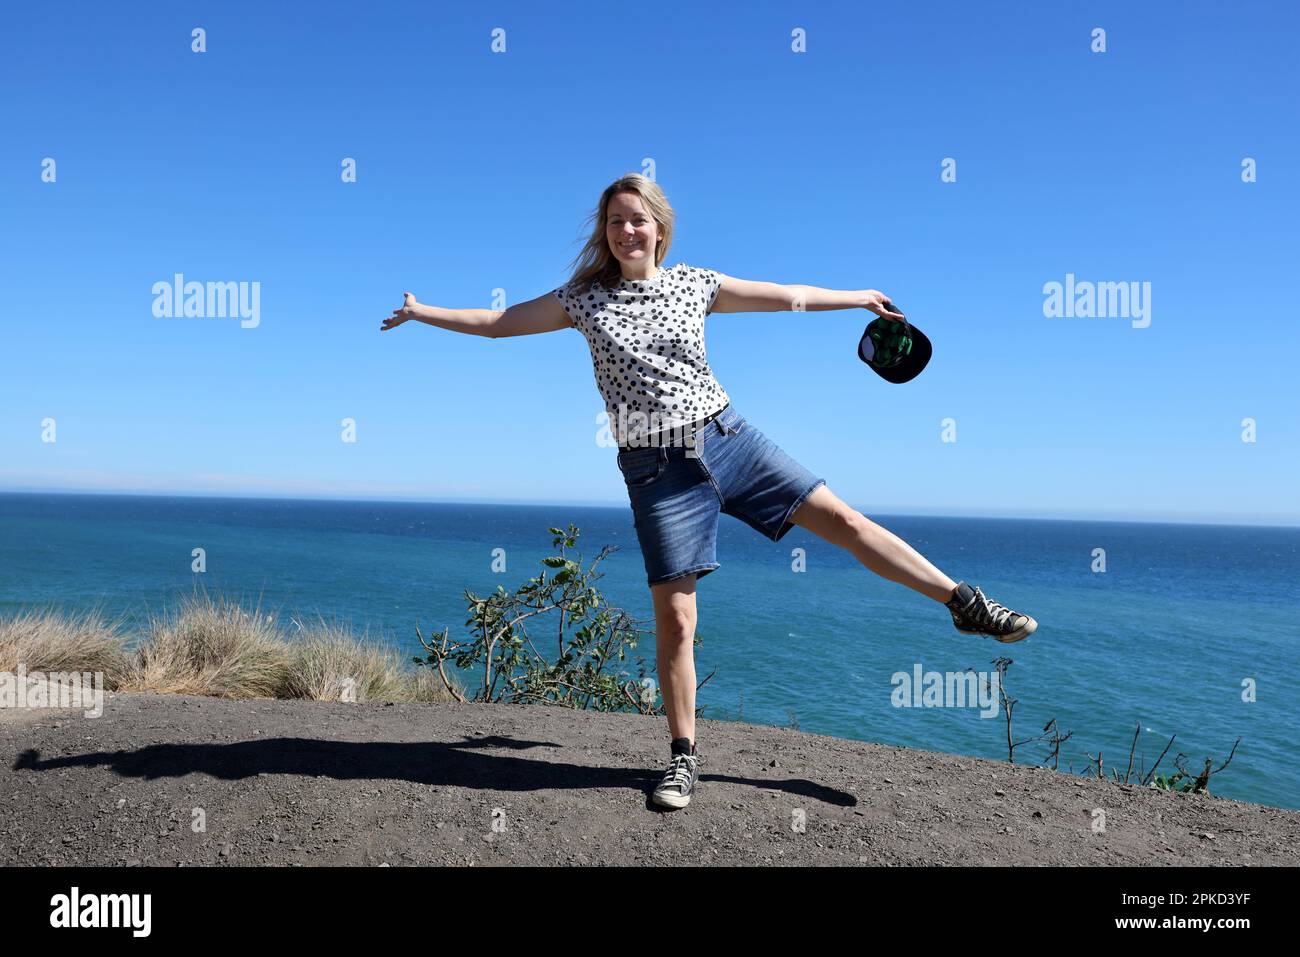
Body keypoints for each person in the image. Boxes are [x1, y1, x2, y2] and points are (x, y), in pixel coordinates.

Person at [380, 172, 1038, 810]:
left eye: (638, 219)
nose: (626, 230)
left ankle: (964, 601)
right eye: (615, 221)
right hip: (654, 467)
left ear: (660, 228)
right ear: (604, 231)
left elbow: (785, 296)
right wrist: (421, 311)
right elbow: (497, 321)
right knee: (678, 620)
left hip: (729, 436)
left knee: (846, 521)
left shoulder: (696, 283)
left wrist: (856, 296)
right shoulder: (583, 298)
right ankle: (683, 755)